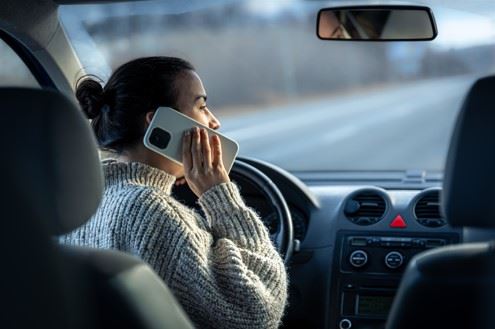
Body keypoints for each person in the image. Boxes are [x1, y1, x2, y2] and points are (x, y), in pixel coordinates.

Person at [59, 57, 288, 329]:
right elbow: (257, 315)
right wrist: (220, 195)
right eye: (202, 106)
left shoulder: (84, 202)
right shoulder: (152, 211)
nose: (214, 122)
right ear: (158, 122)